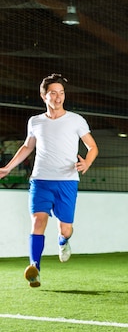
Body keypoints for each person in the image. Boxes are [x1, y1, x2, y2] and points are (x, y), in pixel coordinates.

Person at [0, 73, 98, 288]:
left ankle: (63, 242)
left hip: (67, 182)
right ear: (44, 96)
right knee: (38, 221)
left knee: (65, 229)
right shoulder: (35, 122)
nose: (58, 97)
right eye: (53, 93)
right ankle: (34, 268)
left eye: (61, 93)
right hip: (40, 181)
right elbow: (27, 147)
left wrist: (87, 163)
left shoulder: (76, 120)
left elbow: (92, 147)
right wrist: (7, 168)